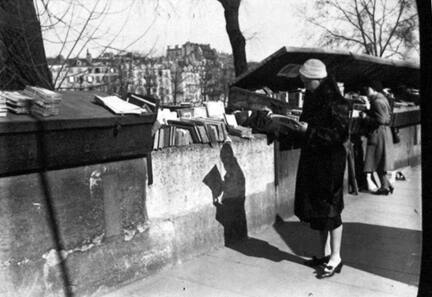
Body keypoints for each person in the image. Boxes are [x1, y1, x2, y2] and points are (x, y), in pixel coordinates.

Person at [286, 59, 350, 278]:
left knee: (331, 210)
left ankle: (336, 257)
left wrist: (309, 130)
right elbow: (310, 129)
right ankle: (323, 255)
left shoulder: (337, 103)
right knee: (319, 210)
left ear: (317, 80)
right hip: (315, 161)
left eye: (306, 81)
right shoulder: (314, 99)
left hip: (330, 163)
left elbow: (339, 135)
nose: (304, 86)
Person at [360, 79, 394, 195]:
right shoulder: (383, 99)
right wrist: (368, 110)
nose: (366, 91)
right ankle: (387, 184)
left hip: (378, 133)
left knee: (377, 160)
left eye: (367, 89)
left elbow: (381, 120)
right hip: (384, 133)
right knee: (380, 161)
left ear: (372, 89)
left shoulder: (377, 101)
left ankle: (385, 187)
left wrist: (365, 117)